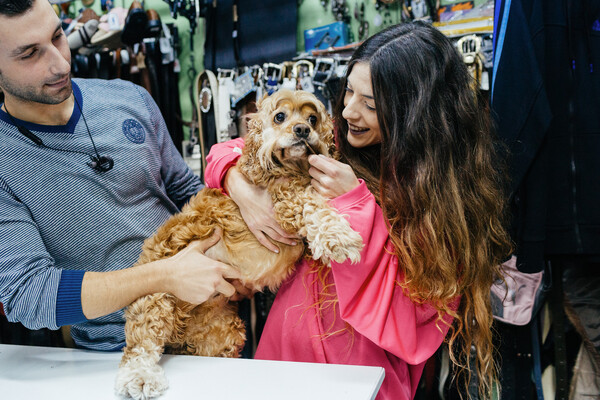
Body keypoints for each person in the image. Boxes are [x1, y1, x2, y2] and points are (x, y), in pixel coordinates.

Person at [205, 22, 512, 399]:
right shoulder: (333, 144)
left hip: (361, 379)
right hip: (281, 359)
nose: (348, 111)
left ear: (414, 111)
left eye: (369, 103)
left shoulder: (445, 201)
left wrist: (355, 202)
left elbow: (412, 318)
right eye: (348, 91)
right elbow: (234, 148)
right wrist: (238, 185)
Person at [0, 0, 246, 351]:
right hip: (121, 347)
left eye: (57, 37)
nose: (58, 63)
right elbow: (29, 295)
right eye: (29, 55)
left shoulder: (129, 98)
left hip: (211, 317)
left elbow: (185, 190)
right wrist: (165, 276)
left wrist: (234, 247)